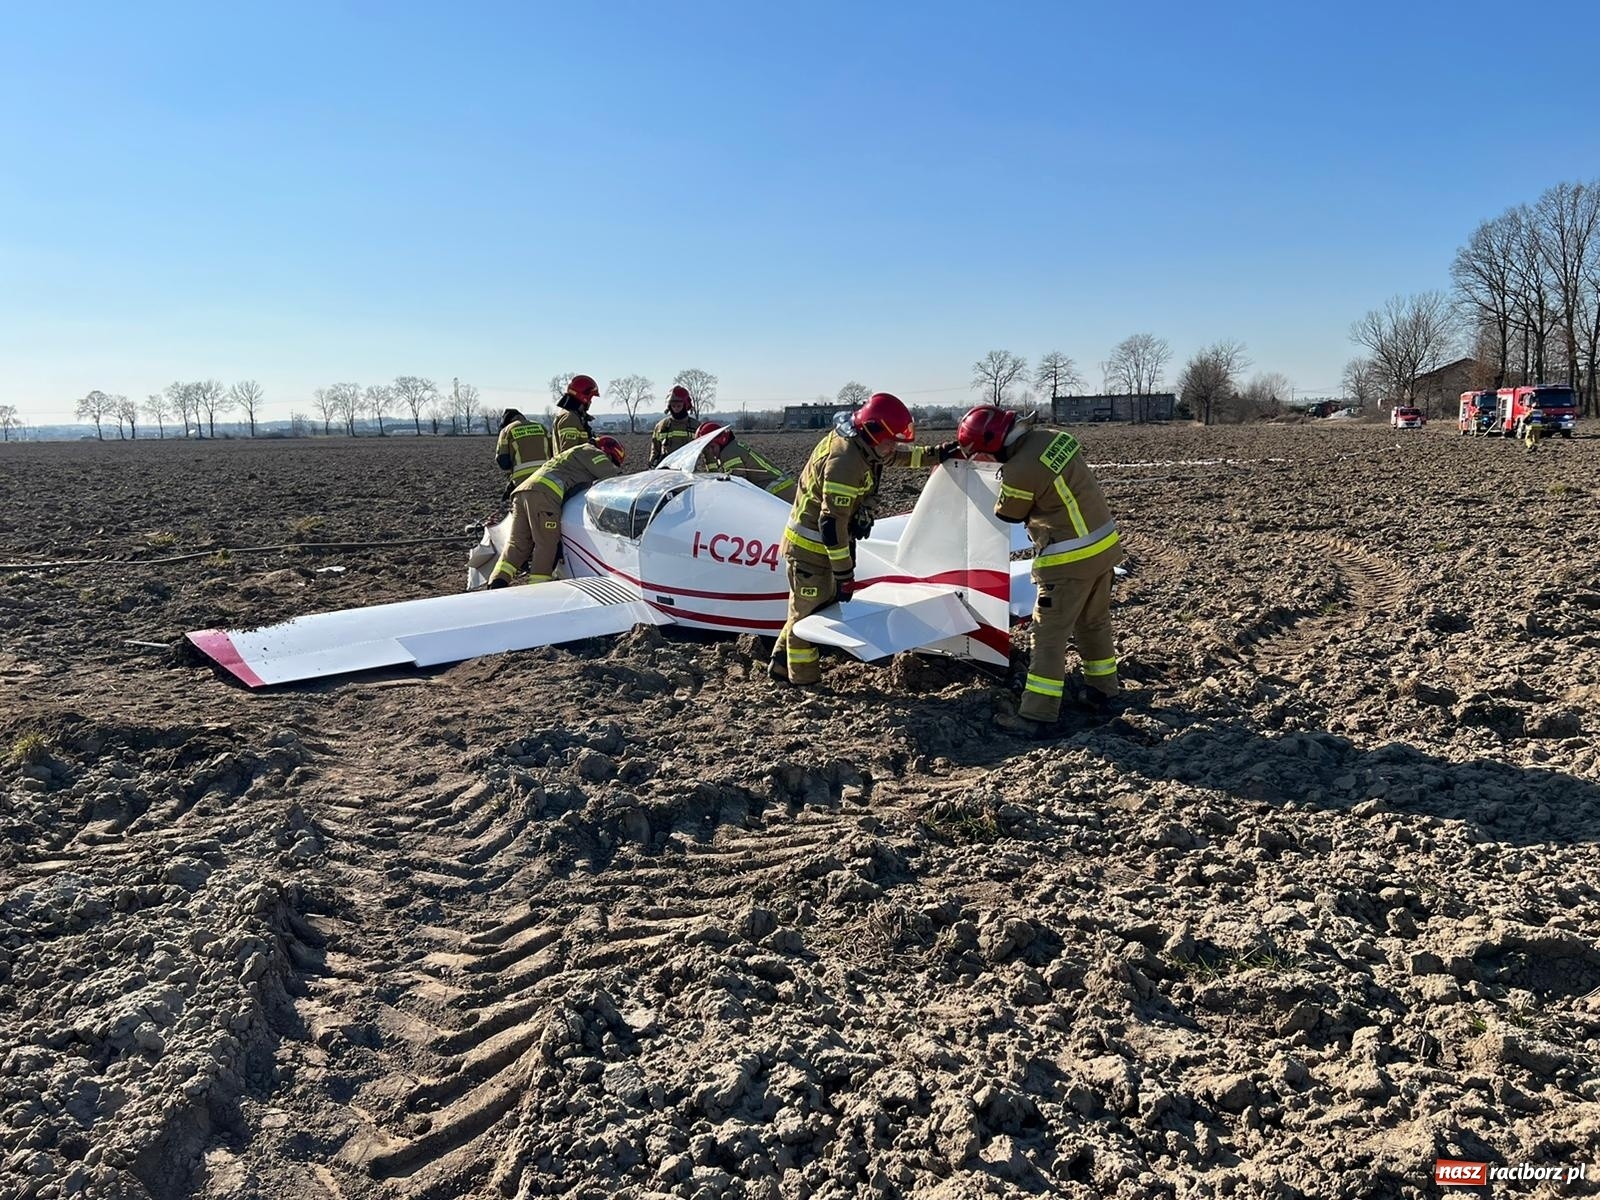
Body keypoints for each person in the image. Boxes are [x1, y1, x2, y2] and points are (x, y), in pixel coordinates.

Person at [956, 405, 1124, 733]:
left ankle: (1037, 714)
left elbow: (1008, 514)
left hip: (1067, 560)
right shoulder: (1053, 438)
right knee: (1094, 624)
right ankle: (1103, 691)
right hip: (1103, 549)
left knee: (1048, 637)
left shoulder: (1020, 470)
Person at [770, 393, 959, 685]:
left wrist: (938, 453)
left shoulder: (866, 445)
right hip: (811, 551)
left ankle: (781, 666)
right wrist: (845, 575)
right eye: (890, 441)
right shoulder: (845, 461)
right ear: (872, 431)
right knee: (806, 621)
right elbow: (831, 524)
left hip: (820, 548)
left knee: (805, 609)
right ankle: (803, 682)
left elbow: (896, 455)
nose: (893, 448)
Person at [486, 436, 627, 588]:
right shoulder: (591, 451)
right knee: (546, 544)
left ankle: (496, 582)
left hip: (522, 493)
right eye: (612, 460)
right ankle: (538, 589)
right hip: (544, 496)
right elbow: (614, 478)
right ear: (606, 452)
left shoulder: (572, 454)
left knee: (517, 544)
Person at [695, 421, 798, 503]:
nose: (710, 452)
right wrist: (709, 459)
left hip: (779, 492)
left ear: (721, 441)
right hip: (782, 487)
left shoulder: (728, 454)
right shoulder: (731, 447)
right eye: (706, 449)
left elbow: (738, 485)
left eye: (712, 447)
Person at [494, 408, 551, 498]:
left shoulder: (506, 430)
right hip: (546, 476)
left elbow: (503, 461)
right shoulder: (541, 426)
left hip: (522, 480)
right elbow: (555, 450)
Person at [649, 385, 698, 466]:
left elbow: (707, 452)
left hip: (687, 470)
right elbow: (655, 449)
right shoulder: (661, 426)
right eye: (673, 406)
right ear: (669, 406)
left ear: (685, 405)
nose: (676, 408)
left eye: (679, 406)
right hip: (666, 471)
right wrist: (651, 463)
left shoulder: (696, 426)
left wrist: (712, 472)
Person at [553, 375, 600, 452]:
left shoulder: (576, 417)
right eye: (590, 398)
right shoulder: (569, 418)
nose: (590, 402)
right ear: (584, 397)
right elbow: (568, 454)